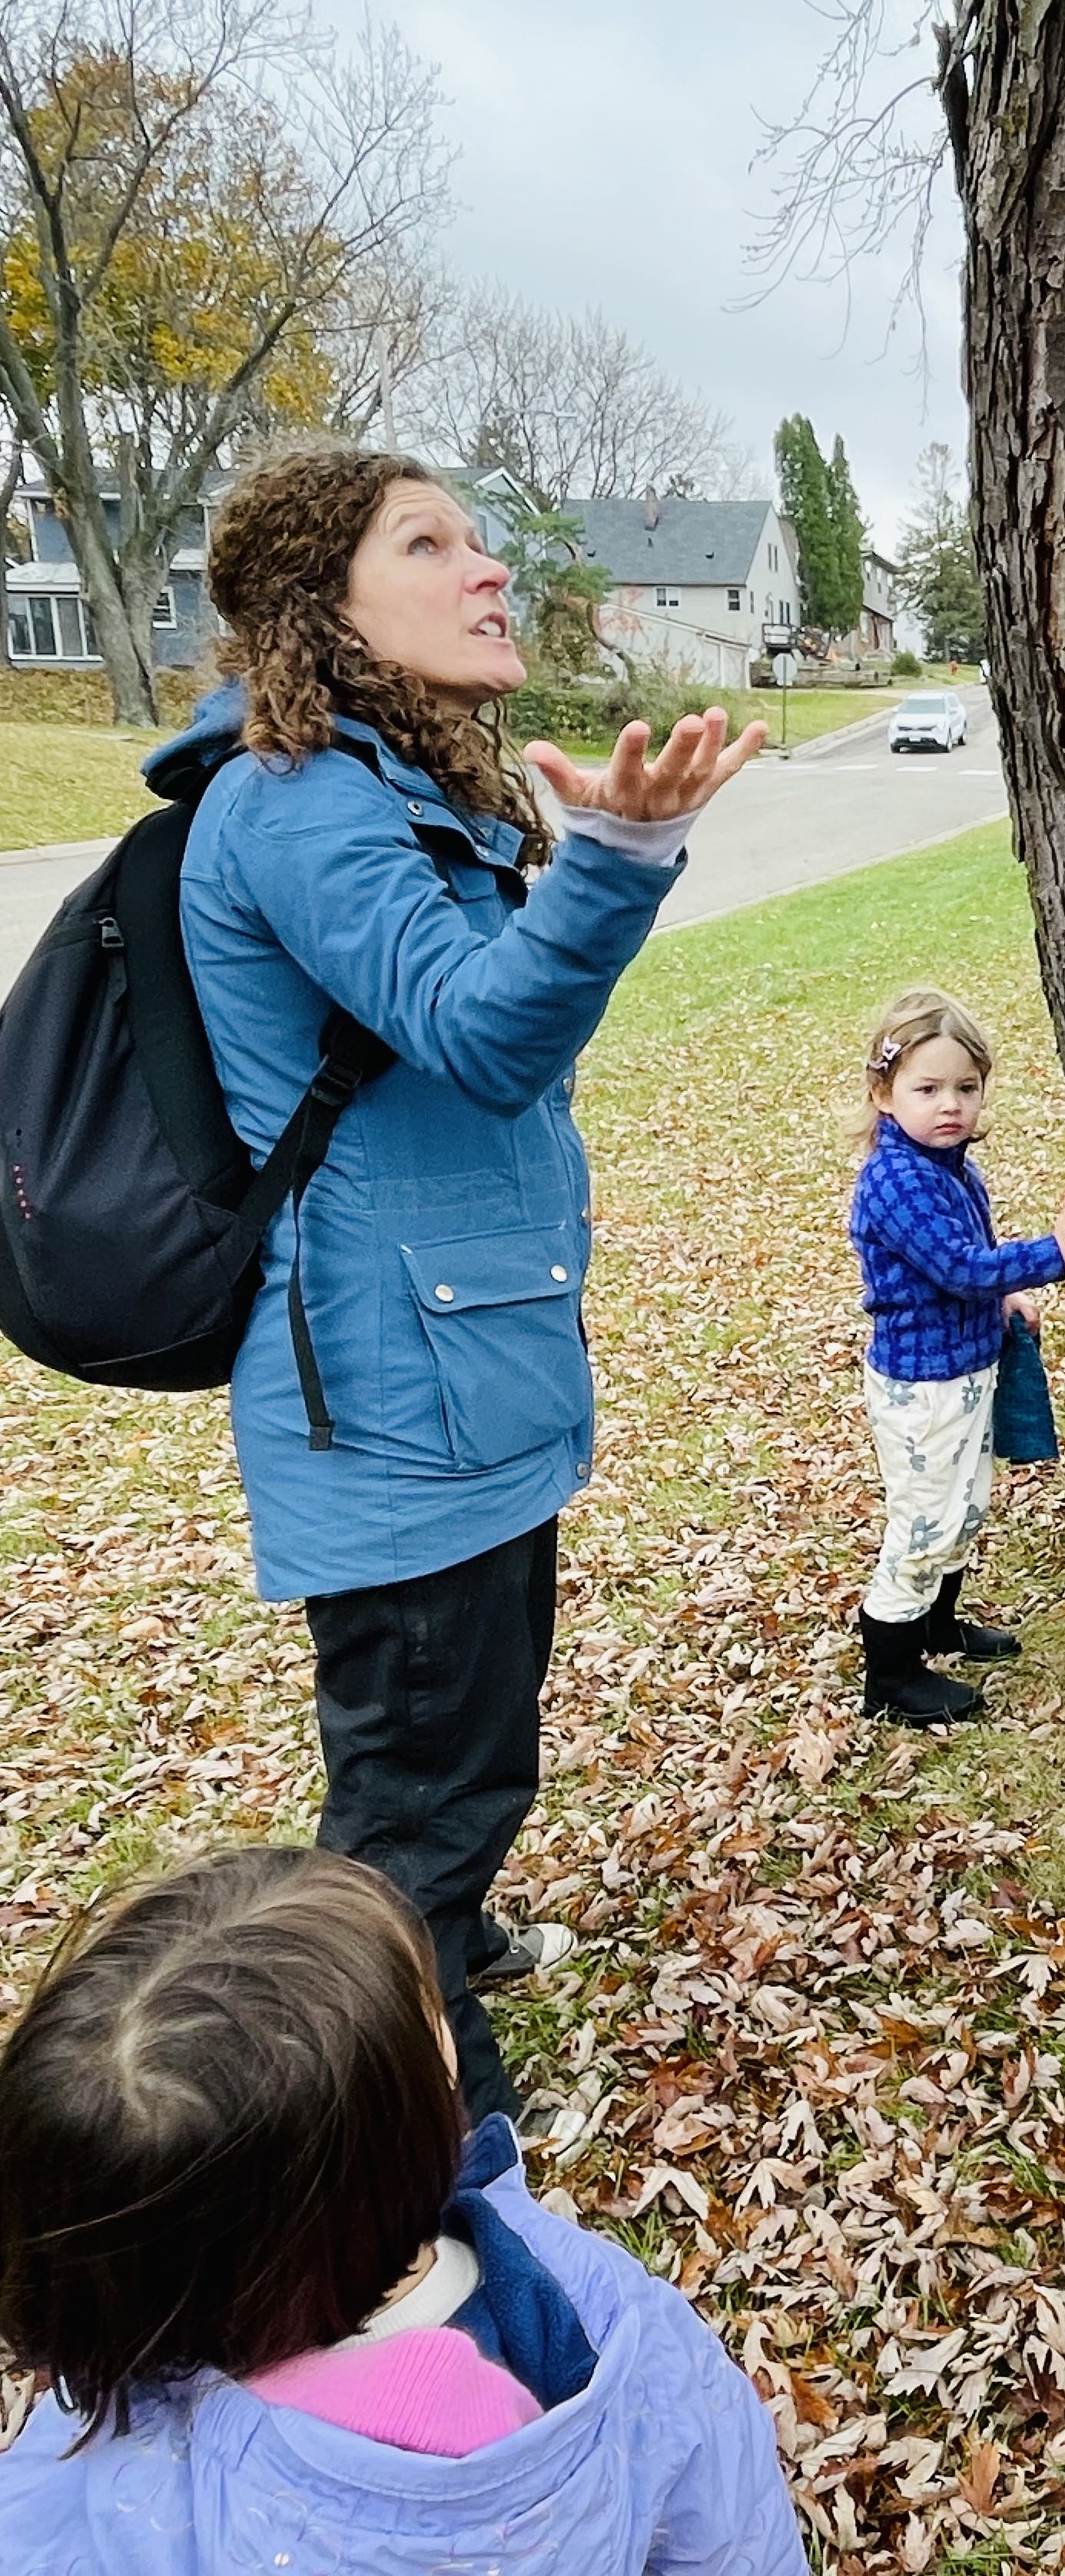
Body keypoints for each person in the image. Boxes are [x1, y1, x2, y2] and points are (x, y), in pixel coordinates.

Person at [147, 450, 763, 2124]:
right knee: (411, 1790)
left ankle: (458, 1932)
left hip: (471, 1359)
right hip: (389, 1393)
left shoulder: (397, 781)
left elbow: (494, 1026)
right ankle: (431, 2135)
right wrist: (621, 862)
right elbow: (487, 1040)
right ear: (318, 608)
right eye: (429, 544)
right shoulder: (294, 800)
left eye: (479, 539)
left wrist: (596, 863)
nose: (487, 571)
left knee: (479, 1740)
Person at [0, 1844, 807, 2576]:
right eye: (436, 2032)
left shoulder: (46, 2504)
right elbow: (711, 2495)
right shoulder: (587, 2323)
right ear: (393, 2149)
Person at [848, 986, 1065, 1725]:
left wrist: (1003, 1298)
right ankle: (890, 1673)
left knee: (964, 1508)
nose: (949, 1104)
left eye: (966, 1087)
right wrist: (1051, 1254)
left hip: (966, 1364)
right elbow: (955, 1266)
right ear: (884, 1093)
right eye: (927, 1089)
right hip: (924, 1383)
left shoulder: (949, 1162)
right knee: (925, 1521)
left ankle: (935, 1623)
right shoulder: (896, 1180)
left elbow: (966, 1264)